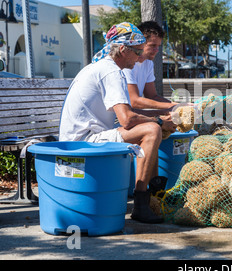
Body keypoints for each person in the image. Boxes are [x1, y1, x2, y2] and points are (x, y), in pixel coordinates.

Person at [59, 22, 177, 224]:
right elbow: (128, 119)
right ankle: (141, 203)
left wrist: (165, 114)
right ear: (123, 50)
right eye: (138, 52)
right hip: (84, 142)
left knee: (151, 128)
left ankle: (154, 195)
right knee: (151, 131)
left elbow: (130, 112)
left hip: (80, 137)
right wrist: (158, 121)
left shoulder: (102, 66)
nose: (140, 57)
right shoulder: (112, 71)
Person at [122, 21, 177, 113]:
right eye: (152, 45)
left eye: (158, 46)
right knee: (156, 126)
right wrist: (173, 106)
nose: (157, 50)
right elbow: (134, 101)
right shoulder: (127, 64)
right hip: (119, 117)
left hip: (133, 113)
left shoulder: (148, 63)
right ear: (140, 43)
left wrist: (178, 105)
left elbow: (152, 96)